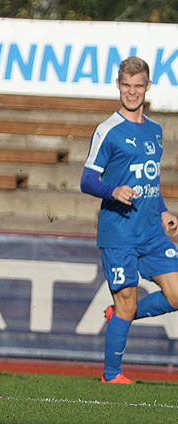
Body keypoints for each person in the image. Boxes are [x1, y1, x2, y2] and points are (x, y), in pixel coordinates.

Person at [80, 56, 178, 384]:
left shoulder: (155, 130)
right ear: (118, 85)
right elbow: (87, 180)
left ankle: (122, 315)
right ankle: (112, 375)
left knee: (176, 294)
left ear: (148, 87)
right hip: (118, 231)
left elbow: (149, 177)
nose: (132, 92)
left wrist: (163, 210)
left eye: (138, 86)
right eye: (126, 85)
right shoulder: (107, 131)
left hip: (151, 230)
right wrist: (113, 191)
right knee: (127, 301)